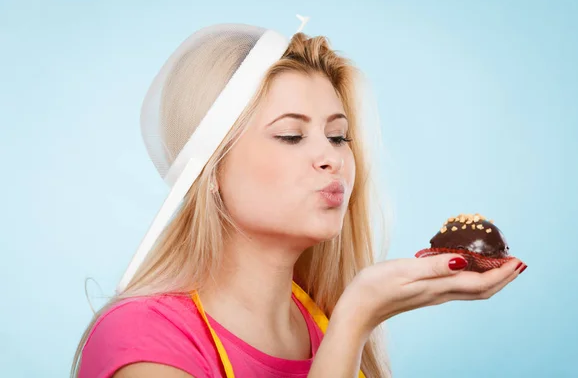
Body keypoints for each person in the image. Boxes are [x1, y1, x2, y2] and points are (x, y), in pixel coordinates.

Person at [71, 21, 526, 378]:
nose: (331, 158)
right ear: (210, 171)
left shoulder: (318, 319)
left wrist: (350, 320)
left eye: (338, 136)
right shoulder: (145, 339)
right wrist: (358, 314)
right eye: (291, 135)